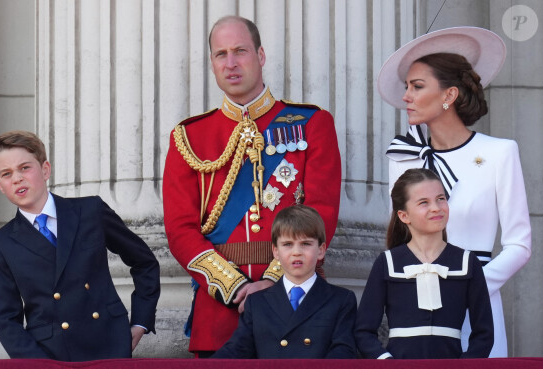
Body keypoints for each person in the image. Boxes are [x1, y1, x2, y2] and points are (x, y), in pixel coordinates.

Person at [163, 15, 341, 356]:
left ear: (260, 56)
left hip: (296, 302)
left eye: (240, 51)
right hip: (220, 313)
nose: (230, 63)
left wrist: (274, 281)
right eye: (221, 54)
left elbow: (322, 213)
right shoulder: (188, 136)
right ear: (212, 64)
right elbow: (179, 229)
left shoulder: (312, 124)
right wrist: (234, 288)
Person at [380, 27, 531, 357]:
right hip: (415, 306)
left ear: (449, 95)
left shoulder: (499, 152)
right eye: (407, 87)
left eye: (417, 87)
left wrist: (469, 289)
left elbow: (519, 245)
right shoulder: (403, 156)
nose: (406, 96)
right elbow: (396, 238)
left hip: (478, 308)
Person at [0, 131, 161, 361]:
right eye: (6, 174)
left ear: (45, 169)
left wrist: (140, 322)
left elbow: (144, 262)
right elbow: (7, 320)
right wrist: (39, 365)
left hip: (109, 344)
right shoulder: (2, 243)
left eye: (24, 168)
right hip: (51, 355)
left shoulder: (90, 211)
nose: (17, 178)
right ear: (0, 185)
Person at [355, 168, 493, 359]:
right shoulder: (387, 263)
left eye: (441, 199)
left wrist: (464, 365)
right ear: (404, 216)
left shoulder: (468, 262)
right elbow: (363, 331)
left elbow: (484, 333)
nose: (436, 207)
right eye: (423, 203)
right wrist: (386, 362)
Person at [212, 205, 356, 359]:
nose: (296, 252)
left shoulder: (341, 300)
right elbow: (236, 350)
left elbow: (343, 353)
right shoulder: (257, 303)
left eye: (306, 244)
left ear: (321, 250)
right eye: (288, 244)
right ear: (276, 251)